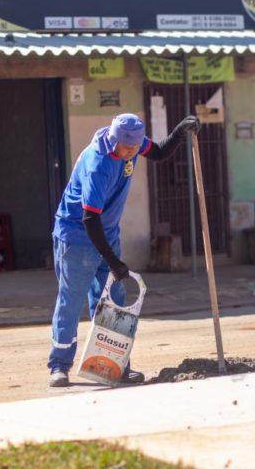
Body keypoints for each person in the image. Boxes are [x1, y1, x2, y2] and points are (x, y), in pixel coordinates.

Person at [48, 112, 202, 387]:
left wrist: (180, 132)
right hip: (77, 238)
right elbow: (89, 219)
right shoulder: (99, 164)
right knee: (71, 301)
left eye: (136, 147)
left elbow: (158, 152)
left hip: (107, 234)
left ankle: (114, 366)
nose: (133, 152)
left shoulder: (132, 142)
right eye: (128, 148)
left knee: (114, 302)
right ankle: (59, 365)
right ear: (114, 140)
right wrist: (113, 261)